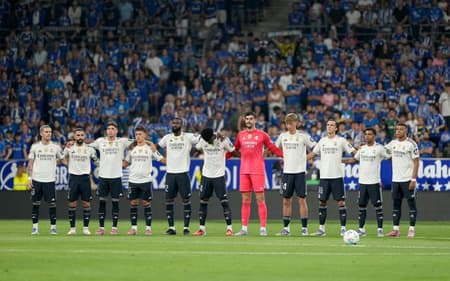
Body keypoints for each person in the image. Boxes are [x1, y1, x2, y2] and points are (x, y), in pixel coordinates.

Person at [234, 111, 283, 236]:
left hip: (257, 170)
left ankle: (263, 228)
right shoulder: (240, 135)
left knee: (260, 199)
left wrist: (284, 155)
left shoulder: (262, 135)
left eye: (251, 119)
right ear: (245, 121)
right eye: (247, 119)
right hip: (244, 170)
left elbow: (272, 148)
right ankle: (244, 228)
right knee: (245, 200)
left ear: (255, 120)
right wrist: (222, 157)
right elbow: (234, 150)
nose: (249, 121)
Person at [307, 119, 356, 236]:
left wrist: (361, 155)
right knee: (322, 202)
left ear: (336, 128)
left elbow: (354, 151)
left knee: (341, 203)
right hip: (324, 177)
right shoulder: (322, 141)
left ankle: (343, 229)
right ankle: (321, 229)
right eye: (328, 125)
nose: (329, 127)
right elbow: (312, 154)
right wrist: (299, 159)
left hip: (337, 176)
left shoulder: (341, 141)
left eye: (332, 125)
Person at [275, 113, 316, 236]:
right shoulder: (282, 136)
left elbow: (316, 147)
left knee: (301, 200)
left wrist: (308, 157)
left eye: (291, 123)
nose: (289, 125)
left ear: (296, 123)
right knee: (286, 200)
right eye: (287, 123)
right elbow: (274, 148)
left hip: (300, 172)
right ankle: (286, 228)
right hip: (287, 172)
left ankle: (304, 228)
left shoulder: (303, 136)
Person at [158, 117, 199, 235]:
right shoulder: (167, 138)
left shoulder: (188, 136)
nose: (175, 124)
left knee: (186, 200)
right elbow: (155, 147)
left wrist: (196, 148)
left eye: (177, 123)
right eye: (173, 122)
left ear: (182, 125)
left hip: (183, 173)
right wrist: (160, 158)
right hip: (170, 174)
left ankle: (186, 228)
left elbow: (202, 138)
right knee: (169, 200)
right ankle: (172, 228)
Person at [89, 121, 132, 235]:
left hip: (116, 177)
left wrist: (127, 159)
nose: (110, 130)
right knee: (102, 202)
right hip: (103, 177)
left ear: (116, 131)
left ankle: (114, 228)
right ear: (106, 131)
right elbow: (88, 147)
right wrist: (94, 159)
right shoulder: (100, 141)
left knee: (115, 203)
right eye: (108, 129)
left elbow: (136, 144)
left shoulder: (122, 141)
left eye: (113, 128)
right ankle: (101, 228)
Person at [192, 128, 235, 236]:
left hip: (219, 176)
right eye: (206, 141)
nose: (208, 142)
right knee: (203, 202)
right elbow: (196, 148)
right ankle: (202, 229)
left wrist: (227, 140)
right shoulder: (203, 140)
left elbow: (233, 150)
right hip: (206, 175)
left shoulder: (223, 140)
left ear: (213, 136)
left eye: (210, 140)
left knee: (224, 202)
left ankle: (229, 228)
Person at [124, 126, 165, 236]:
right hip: (133, 180)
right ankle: (133, 228)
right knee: (133, 203)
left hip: (146, 181)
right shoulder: (132, 149)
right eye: (136, 134)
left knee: (146, 203)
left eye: (140, 134)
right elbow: (125, 163)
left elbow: (162, 160)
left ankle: (148, 228)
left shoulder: (150, 148)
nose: (138, 136)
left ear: (145, 135)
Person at [348, 127, 388, 237]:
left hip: (374, 182)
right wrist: (340, 160)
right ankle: (361, 230)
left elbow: (389, 157)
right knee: (361, 206)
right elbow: (354, 159)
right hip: (363, 182)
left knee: (378, 206)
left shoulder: (379, 148)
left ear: (374, 136)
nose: (367, 136)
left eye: (369, 134)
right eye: (366, 134)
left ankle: (380, 229)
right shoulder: (362, 149)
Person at [28, 125, 64, 235]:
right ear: (41, 133)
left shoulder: (56, 147)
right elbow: (30, 163)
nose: (49, 133)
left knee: (52, 204)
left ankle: (53, 228)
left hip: (50, 180)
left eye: (50, 132)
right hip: (37, 179)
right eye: (46, 132)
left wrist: (68, 150)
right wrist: (29, 178)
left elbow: (62, 160)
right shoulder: (35, 147)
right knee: (36, 204)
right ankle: (35, 228)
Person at [385, 123, 419, 238]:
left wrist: (413, 179)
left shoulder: (411, 144)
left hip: (407, 179)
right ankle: (395, 230)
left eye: (401, 129)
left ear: (406, 131)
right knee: (396, 205)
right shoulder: (393, 143)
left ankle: (411, 229)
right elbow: (384, 152)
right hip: (396, 180)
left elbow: (416, 162)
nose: (398, 131)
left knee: (411, 204)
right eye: (397, 129)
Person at [63, 128, 99, 236]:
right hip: (73, 178)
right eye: (77, 135)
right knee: (72, 203)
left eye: (81, 135)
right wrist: (68, 165)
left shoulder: (89, 149)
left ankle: (85, 228)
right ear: (74, 137)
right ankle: (72, 229)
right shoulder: (69, 148)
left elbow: (96, 161)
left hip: (85, 178)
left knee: (86, 203)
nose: (80, 137)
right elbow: (62, 158)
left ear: (84, 137)